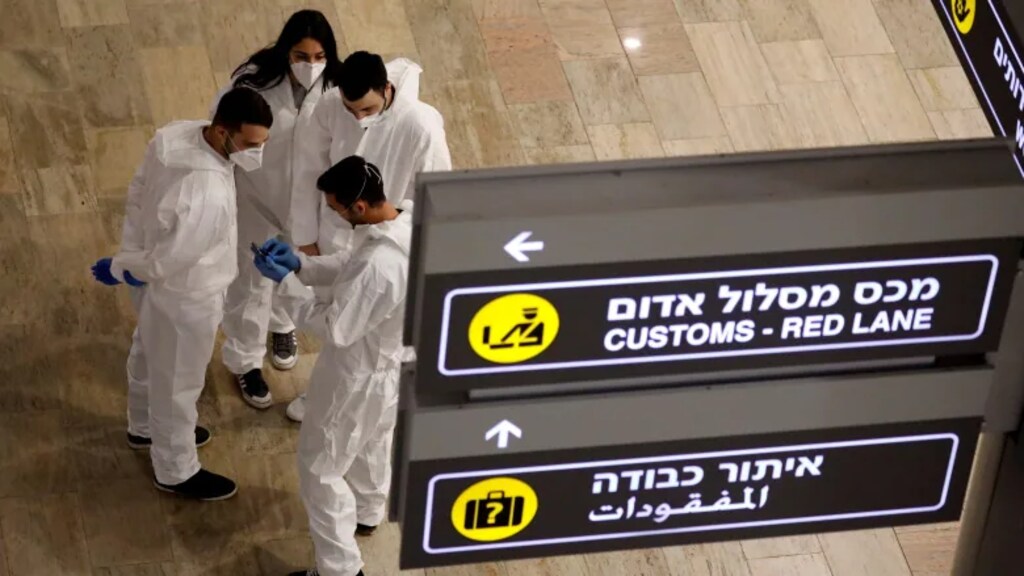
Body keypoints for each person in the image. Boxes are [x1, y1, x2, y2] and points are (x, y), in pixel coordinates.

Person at [90, 87, 273, 500]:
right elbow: (168, 261)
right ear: (223, 132)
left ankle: (142, 427)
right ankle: (175, 469)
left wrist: (129, 256)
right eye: (249, 144)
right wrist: (125, 268)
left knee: (146, 352)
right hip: (189, 296)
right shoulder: (205, 194)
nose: (255, 153)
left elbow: (138, 195)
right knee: (179, 384)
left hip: (154, 282)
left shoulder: (176, 135)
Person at [254, 156, 409, 576]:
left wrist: (284, 284)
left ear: (357, 207)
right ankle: (367, 509)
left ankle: (340, 570)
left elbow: (336, 326)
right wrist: (302, 266)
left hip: (357, 376)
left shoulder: (382, 266)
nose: (335, 217)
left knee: (319, 469)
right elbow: (352, 267)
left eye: (337, 210)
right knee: (373, 441)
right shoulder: (402, 221)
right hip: (392, 366)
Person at [287, 50, 451, 422]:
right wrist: (305, 234)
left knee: (365, 330)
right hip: (335, 226)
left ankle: (358, 399)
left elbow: (434, 195)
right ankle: (324, 392)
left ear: (387, 89)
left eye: (367, 110)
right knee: (338, 319)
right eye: (352, 110)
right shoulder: (332, 105)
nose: (358, 118)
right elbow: (308, 167)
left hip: (387, 236)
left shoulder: (421, 126)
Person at [212, 10, 343, 409]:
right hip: (255, 197)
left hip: (307, 205)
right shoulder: (253, 81)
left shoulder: (337, 90)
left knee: (298, 272)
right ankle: (245, 361)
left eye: (318, 56)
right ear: (286, 50)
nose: (310, 65)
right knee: (249, 282)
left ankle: (283, 326)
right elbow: (223, 127)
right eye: (301, 56)